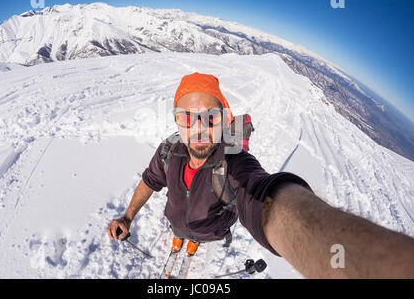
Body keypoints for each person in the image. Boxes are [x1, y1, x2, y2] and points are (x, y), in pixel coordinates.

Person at [107, 72, 414, 278]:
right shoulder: (167, 151)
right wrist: (128, 216)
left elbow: (264, 198)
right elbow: (150, 180)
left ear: (225, 121)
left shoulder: (233, 164)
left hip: (211, 231)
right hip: (177, 221)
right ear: (177, 122)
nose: (197, 128)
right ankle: (182, 240)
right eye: (185, 118)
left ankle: (190, 243)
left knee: (191, 238)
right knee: (180, 231)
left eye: (209, 117)